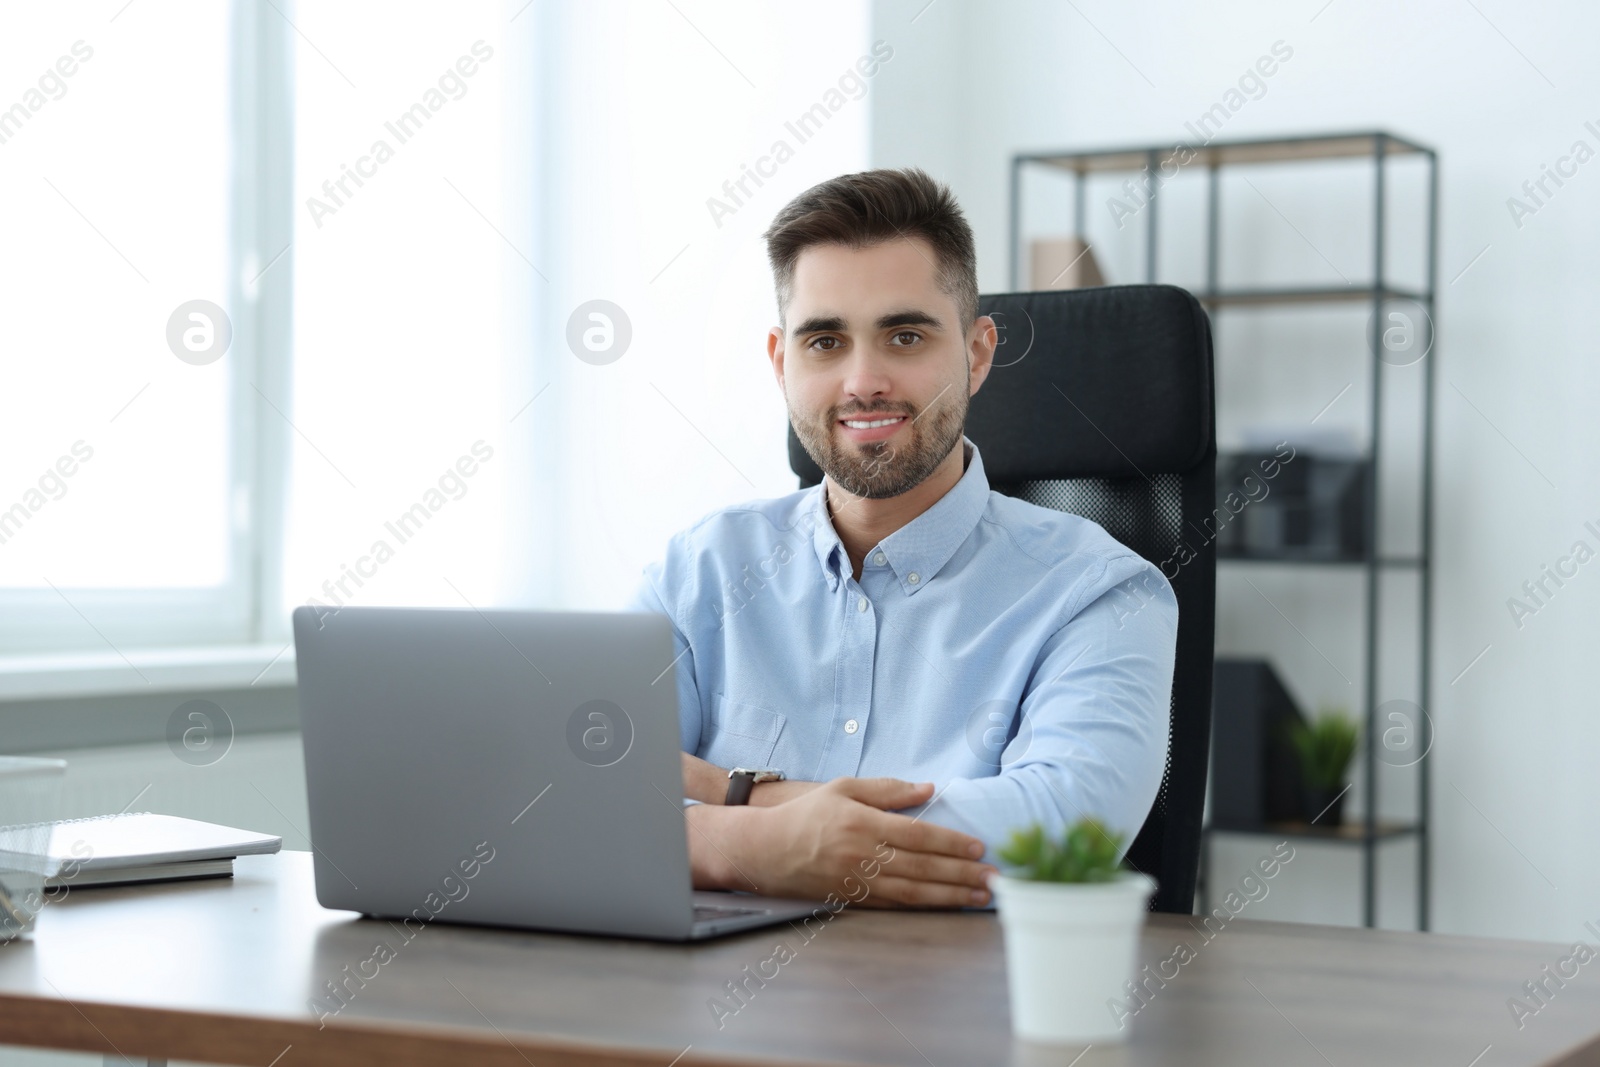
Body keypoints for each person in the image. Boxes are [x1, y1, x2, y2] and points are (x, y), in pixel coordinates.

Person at [627, 167, 1177, 909]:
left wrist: (733, 801)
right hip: (704, 1013)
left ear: (977, 354)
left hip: (968, 1013)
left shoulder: (1102, 593)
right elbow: (578, 801)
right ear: (782, 361)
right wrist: (770, 842)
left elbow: (1056, 833)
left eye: (905, 334)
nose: (863, 381)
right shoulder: (697, 572)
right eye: (825, 340)